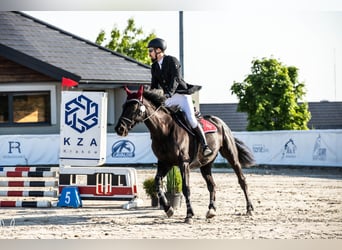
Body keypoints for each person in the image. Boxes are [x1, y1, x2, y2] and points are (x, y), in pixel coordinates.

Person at [147, 38, 212, 157]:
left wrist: (168, 94)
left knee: (191, 120)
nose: (149, 53)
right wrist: (151, 97)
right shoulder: (154, 67)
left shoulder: (172, 60)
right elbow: (154, 85)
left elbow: (175, 80)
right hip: (168, 97)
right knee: (160, 117)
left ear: (159, 50)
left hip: (181, 95)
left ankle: (205, 146)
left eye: (151, 50)